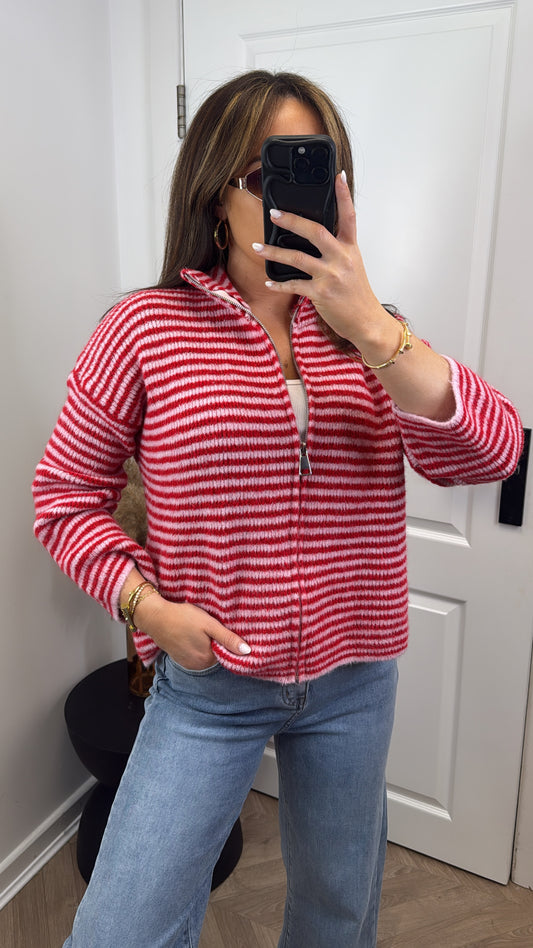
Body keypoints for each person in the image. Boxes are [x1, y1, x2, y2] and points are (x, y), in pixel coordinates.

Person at [33, 70, 523, 948]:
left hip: (353, 681)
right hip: (207, 687)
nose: (298, 201)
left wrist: (371, 326)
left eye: (317, 173)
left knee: (337, 913)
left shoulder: (374, 332)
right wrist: (148, 609)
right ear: (214, 195)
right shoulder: (143, 329)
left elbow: (492, 452)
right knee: (119, 930)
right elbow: (64, 498)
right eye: (268, 176)